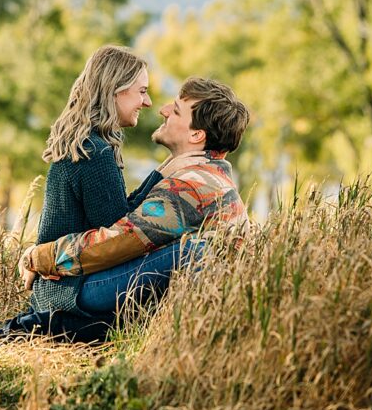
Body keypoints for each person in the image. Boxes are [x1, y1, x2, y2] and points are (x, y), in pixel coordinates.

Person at [23, 77, 251, 308]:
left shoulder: (192, 185)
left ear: (196, 135)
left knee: (192, 252)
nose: (163, 110)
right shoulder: (207, 176)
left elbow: (118, 241)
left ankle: (54, 313)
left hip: (94, 299)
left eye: (176, 110)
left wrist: (39, 257)